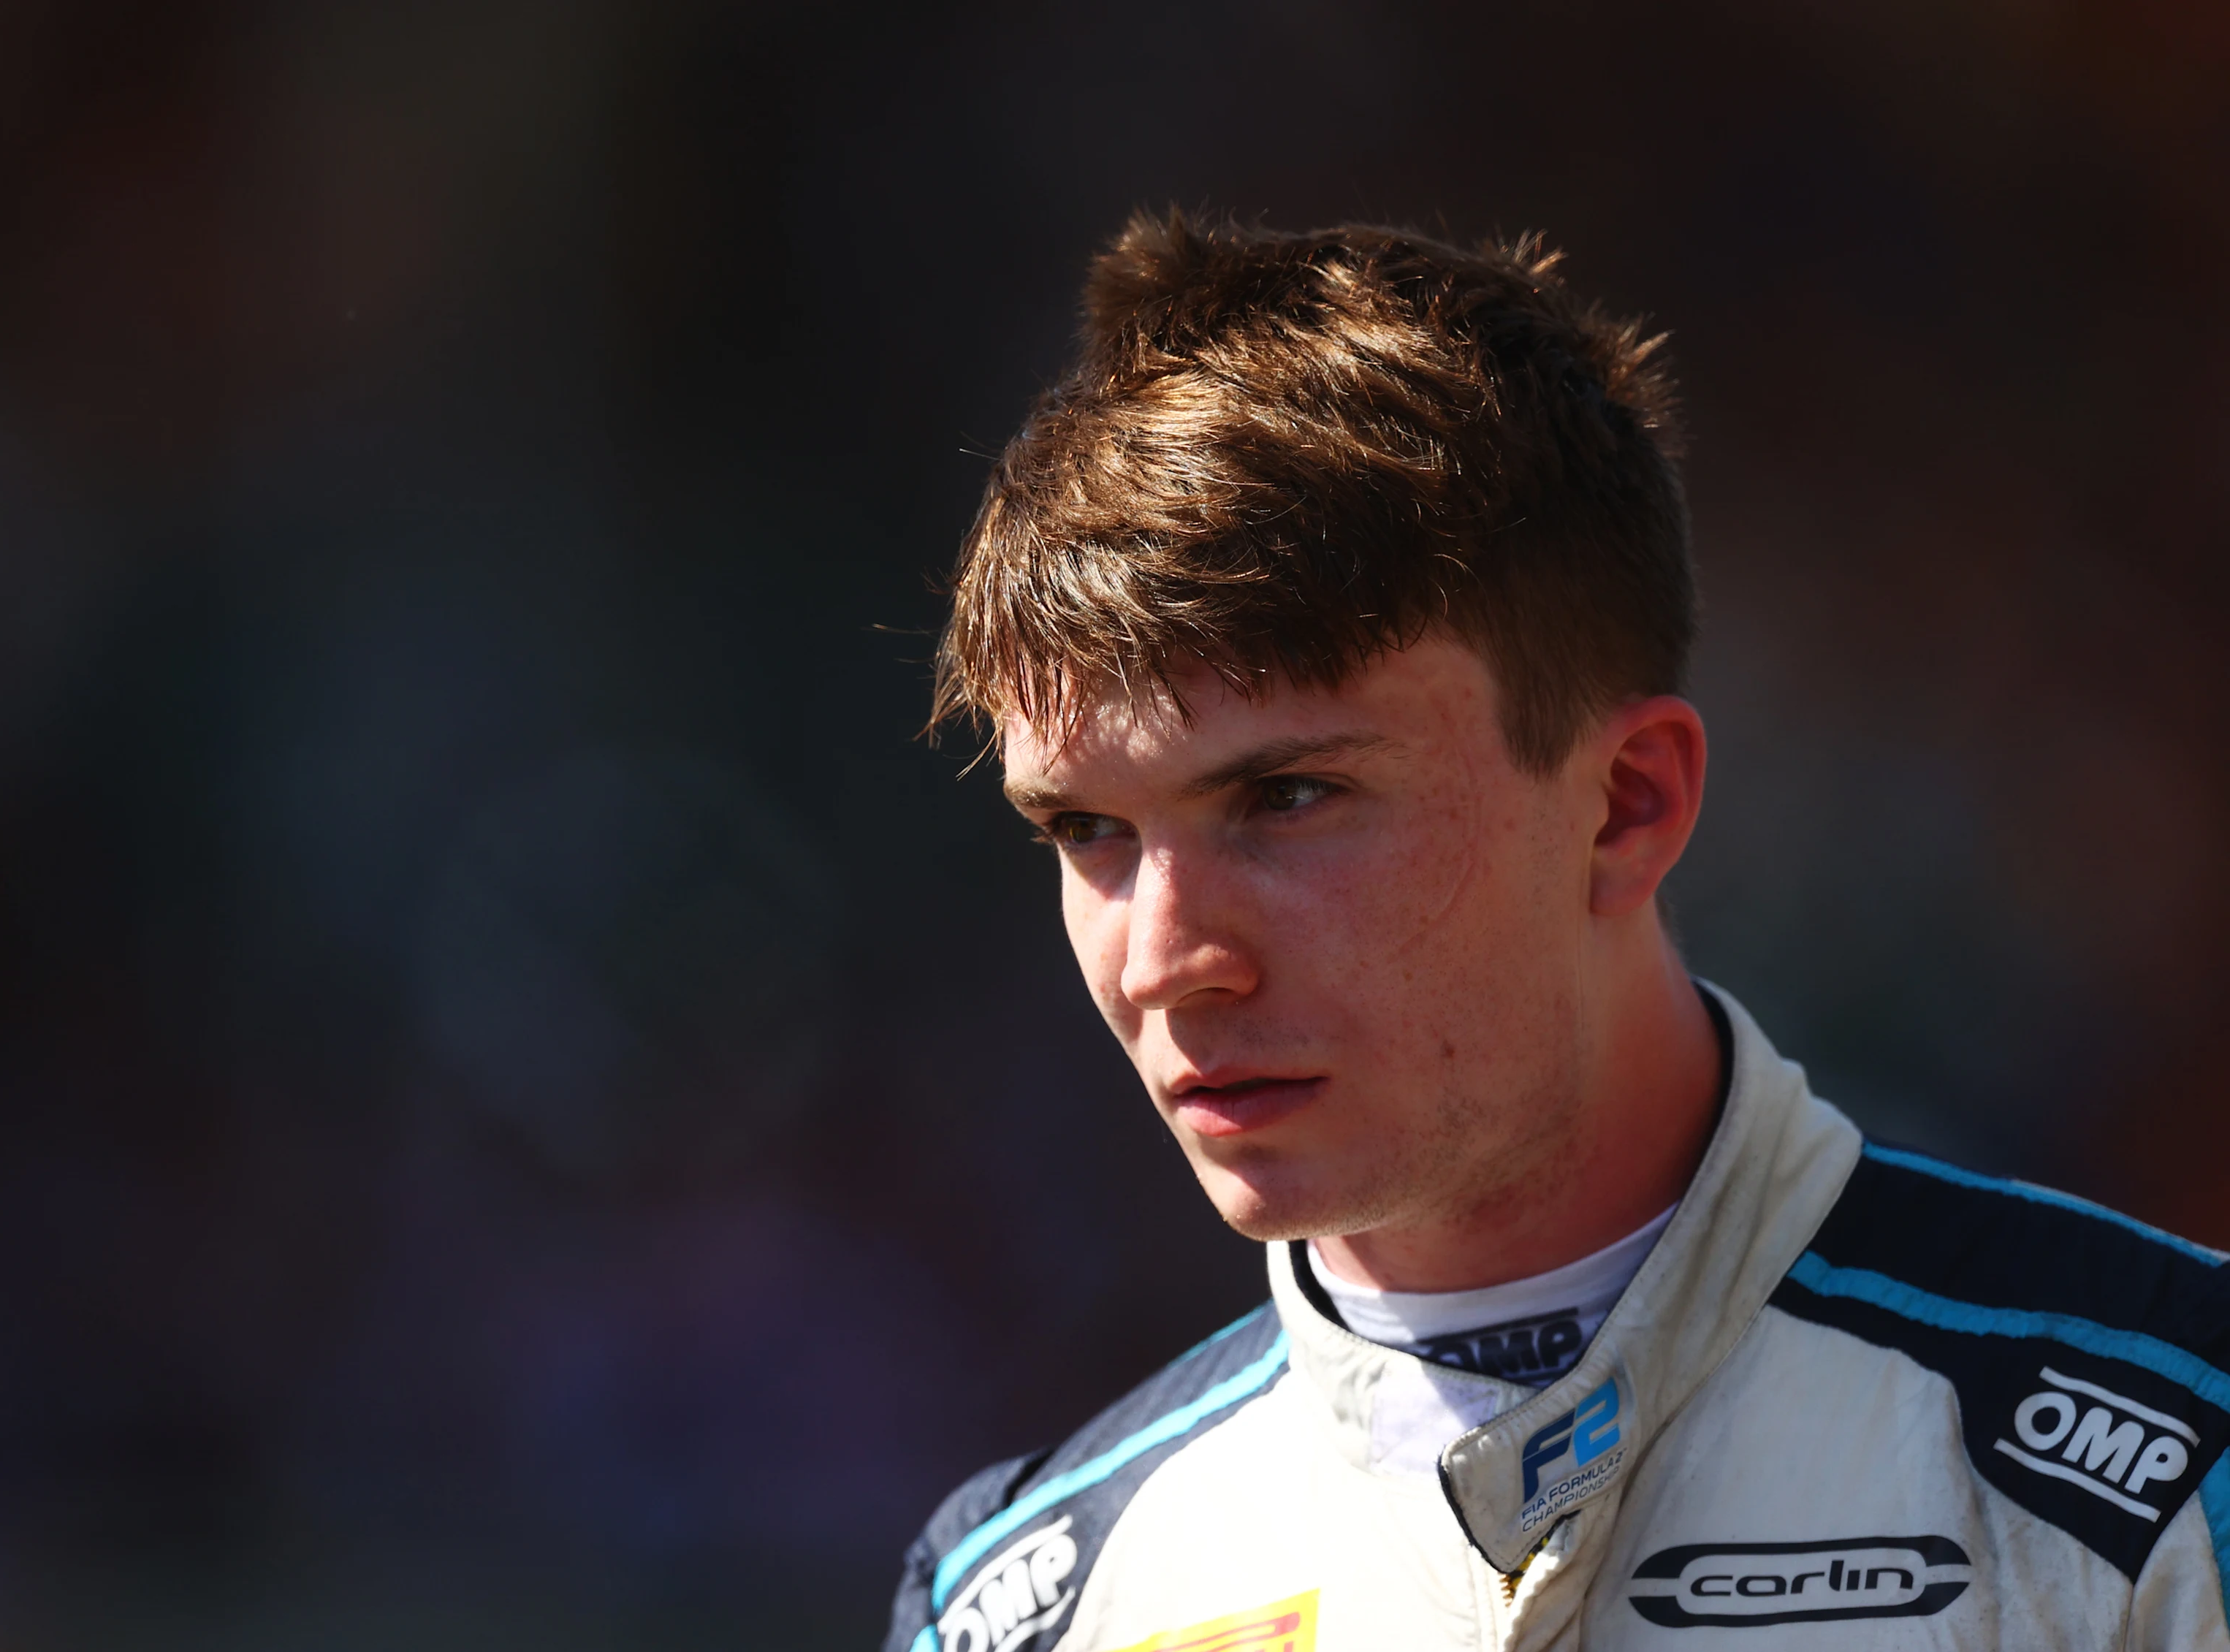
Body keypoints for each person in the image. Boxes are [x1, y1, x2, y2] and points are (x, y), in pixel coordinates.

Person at [883, 210, 2230, 1651]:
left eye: (1285, 794)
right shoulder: (1023, 1599)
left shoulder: (2170, 1465)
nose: (1161, 958)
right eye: (1086, 829)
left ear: (1623, 805)